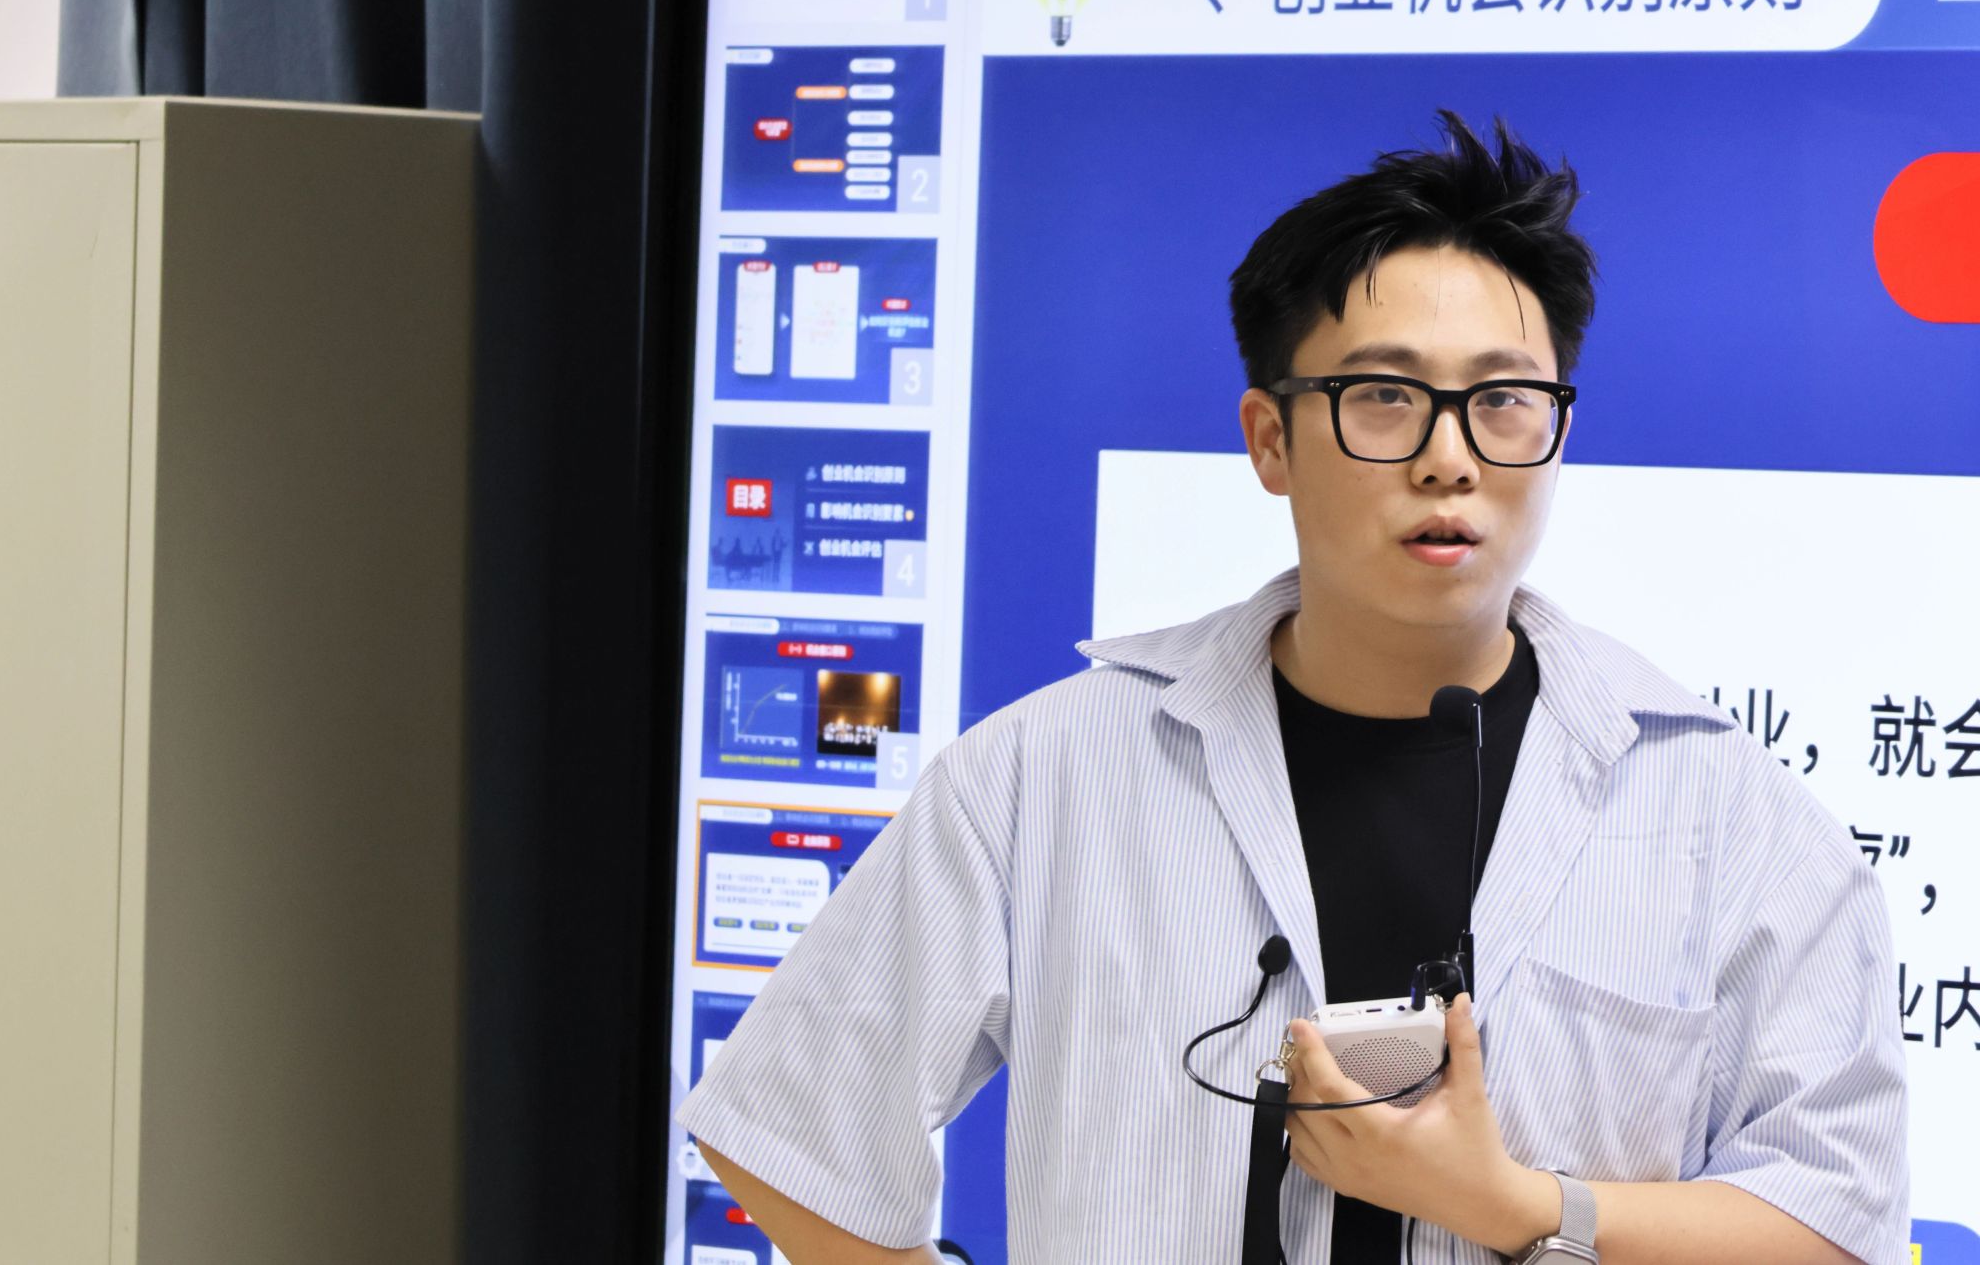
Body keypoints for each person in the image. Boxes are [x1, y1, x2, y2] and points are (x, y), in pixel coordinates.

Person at [677, 112, 1909, 1264]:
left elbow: (1837, 1220)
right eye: (1383, 397)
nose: (1447, 458)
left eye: (1501, 402)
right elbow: (788, 1127)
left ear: (1555, 432)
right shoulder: (1040, 774)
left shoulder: (1721, 810)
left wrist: (1519, 1209)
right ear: (1268, 438)